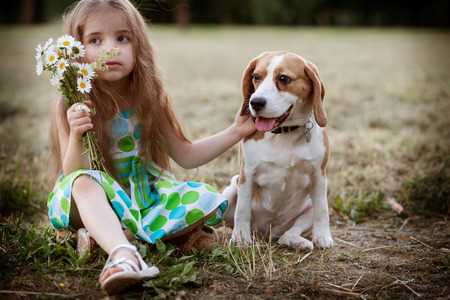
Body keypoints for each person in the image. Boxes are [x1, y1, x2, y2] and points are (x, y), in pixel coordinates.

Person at [46, 0, 255, 294]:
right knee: (84, 182)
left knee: (196, 200)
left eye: (122, 38)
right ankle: (122, 254)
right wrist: (78, 133)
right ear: (77, 52)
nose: (112, 48)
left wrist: (236, 131)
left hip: (142, 199)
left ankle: (106, 238)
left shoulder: (150, 98)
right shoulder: (72, 101)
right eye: (95, 40)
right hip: (87, 200)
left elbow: (186, 154)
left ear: (138, 46)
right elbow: (72, 173)